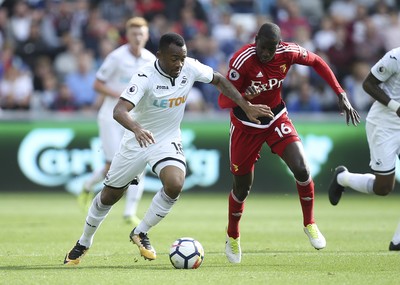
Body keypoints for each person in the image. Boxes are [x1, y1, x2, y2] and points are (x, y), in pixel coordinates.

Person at [63, 32, 273, 265]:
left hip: (167, 139)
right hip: (136, 140)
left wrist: (246, 105)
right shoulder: (144, 76)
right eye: (174, 58)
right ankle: (84, 241)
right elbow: (119, 111)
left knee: (175, 183)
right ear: (160, 55)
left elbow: (219, 80)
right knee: (109, 196)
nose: (179, 63)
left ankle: (140, 232)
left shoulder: (190, 68)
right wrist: (136, 129)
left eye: (182, 57)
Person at [218, 22, 361, 263]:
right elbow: (223, 100)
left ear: (278, 45)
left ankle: (310, 223)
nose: (266, 53)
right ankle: (233, 236)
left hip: (275, 118)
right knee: (242, 188)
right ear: (256, 41)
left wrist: (340, 92)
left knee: (303, 169)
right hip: (246, 125)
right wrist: (245, 102)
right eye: (263, 47)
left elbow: (316, 61)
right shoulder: (242, 60)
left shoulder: (287, 52)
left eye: (271, 49)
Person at [77, 17, 156, 225]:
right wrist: (122, 95)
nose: (138, 37)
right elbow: (97, 83)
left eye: (141, 33)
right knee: (112, 165)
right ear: (127, 35)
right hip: (111, 116)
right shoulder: (116, 57)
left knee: (140, 162)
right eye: (134, 33)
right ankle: (88, 185)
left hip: (135, 120)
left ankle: (129, 212)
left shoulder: (150, 60)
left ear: (147, 36)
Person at [328, 47, 400, 251]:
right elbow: (368, 84)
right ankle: (343, 178)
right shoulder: (396, 56)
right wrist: (396, 107)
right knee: (384, 188)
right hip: (384, 125)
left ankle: (398, 241)